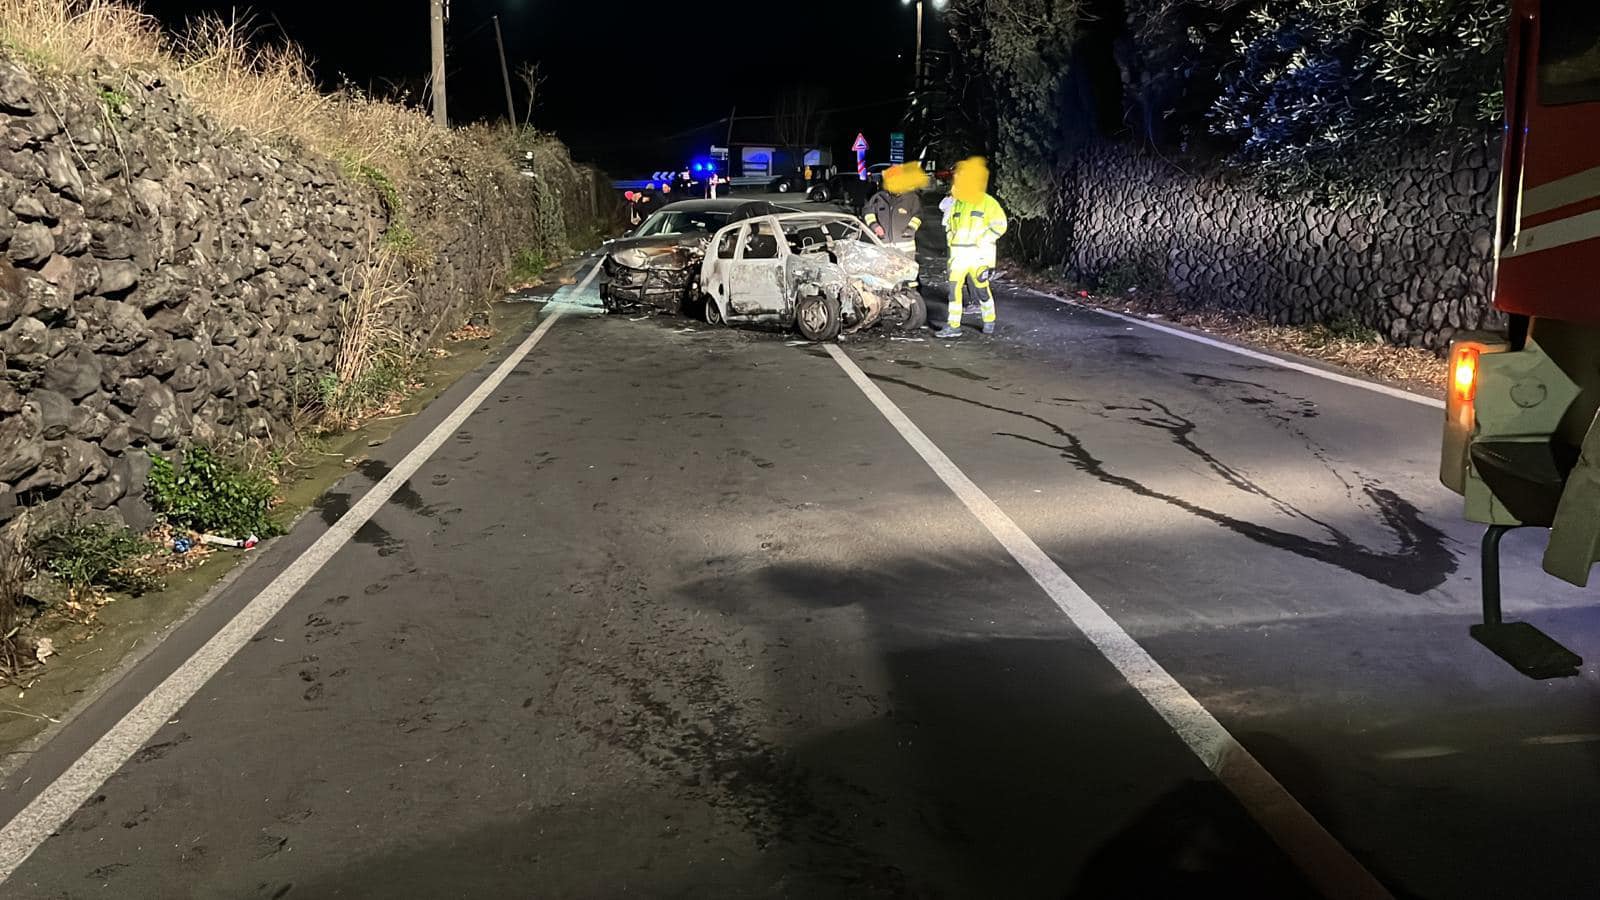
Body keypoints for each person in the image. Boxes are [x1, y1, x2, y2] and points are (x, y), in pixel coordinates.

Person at [938, 157, 1008, 338]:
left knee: (982, 290)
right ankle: (953, 326)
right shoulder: (957, 203)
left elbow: (1000, 225)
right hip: (958, 256)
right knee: (954, 292)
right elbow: (949, 227)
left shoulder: (987, 202)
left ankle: (989, 320)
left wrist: (983, 241)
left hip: (978, 257)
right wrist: (951, 243)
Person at [862, 164, 928, 255]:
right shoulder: (879, 197)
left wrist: (909, 230)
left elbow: (918, 216)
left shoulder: (912, 198)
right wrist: (875, 226)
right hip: (883, 245)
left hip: (905, 247)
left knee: (905, 265)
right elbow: (868, 212)